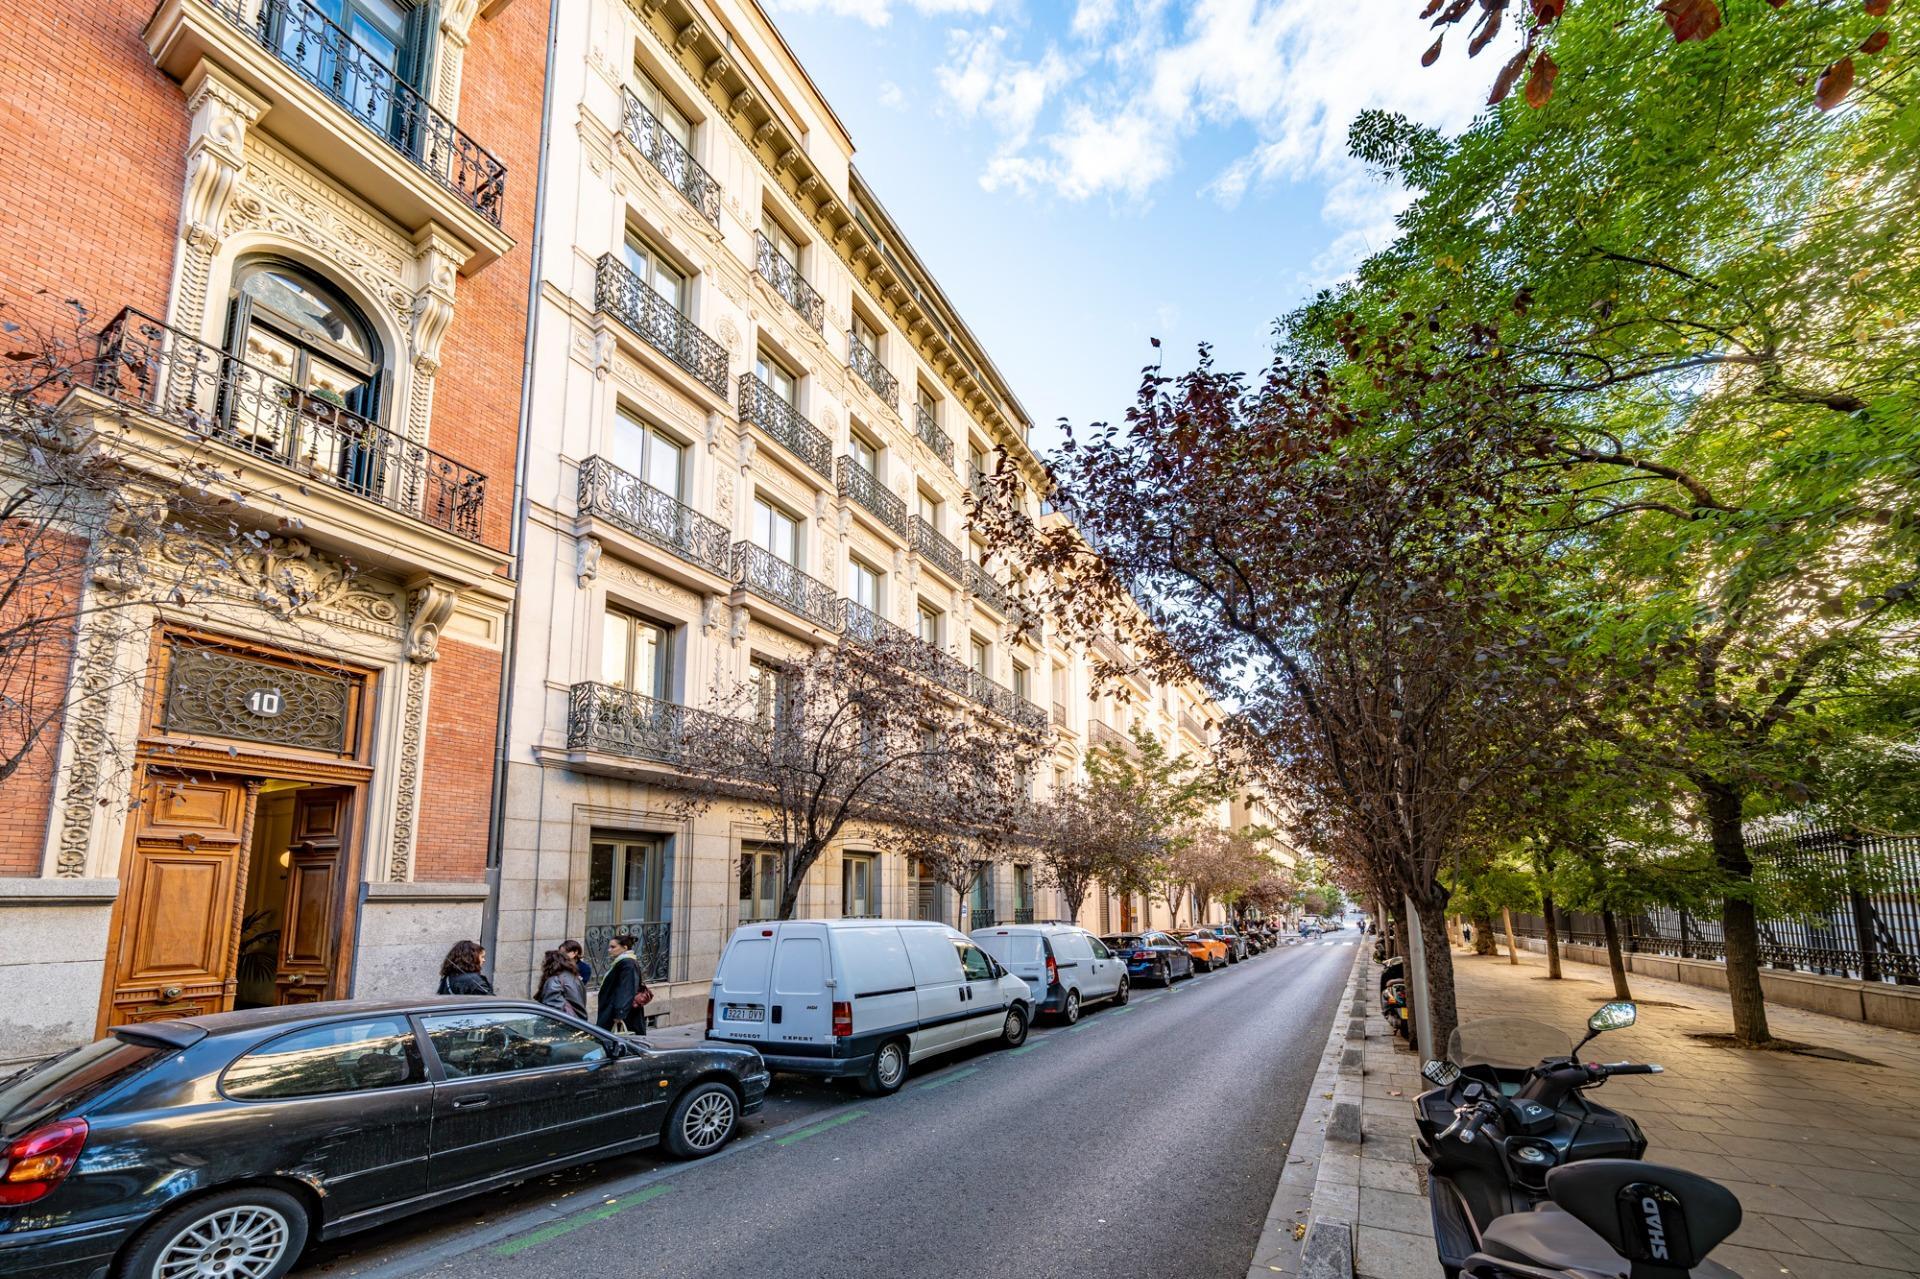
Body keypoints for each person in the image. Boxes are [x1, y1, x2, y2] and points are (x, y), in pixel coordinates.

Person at [596, 932, 651, 1033]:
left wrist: (619, 1013)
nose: (609, 950)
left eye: (613, 947)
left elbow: (627, 989)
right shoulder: (622, 962)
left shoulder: (628, 964)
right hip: (614, 1009)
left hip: (620, 1013)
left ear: (624, 947)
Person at [536, 948, 588, 1020]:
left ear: (550, 964)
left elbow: (553, 1009)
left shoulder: (554, 980)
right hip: (579, 1022)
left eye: (544, 962)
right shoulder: (575, 978)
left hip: (566, 1023)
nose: (542, 964)